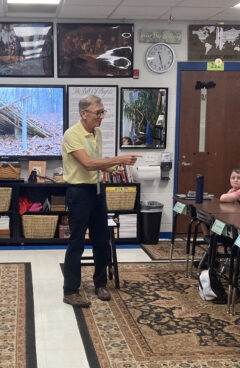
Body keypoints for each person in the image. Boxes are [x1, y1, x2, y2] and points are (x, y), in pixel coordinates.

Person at [62, 94, 140, 307]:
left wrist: (121, 164)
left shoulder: (96, 132)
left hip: (97, 191)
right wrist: (118, 159)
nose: (101, 116)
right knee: (76, 242)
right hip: (79, 192)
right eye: (98, 112)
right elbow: (87, 164)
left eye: (102, 112)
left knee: (101, 239)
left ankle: (100, 284)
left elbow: (99, 165)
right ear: (84, 113)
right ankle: (70, 290)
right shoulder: (72, 134)